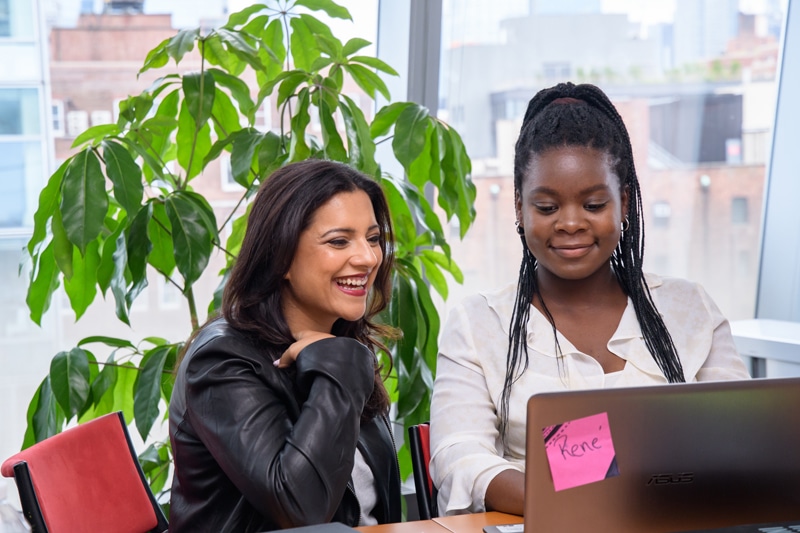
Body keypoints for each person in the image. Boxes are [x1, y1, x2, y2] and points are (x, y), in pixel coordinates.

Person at [428, 82, 750, 517]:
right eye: (546, 208)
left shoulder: (689, 309)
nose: (571, 223)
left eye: (594, 204)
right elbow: (459, 456)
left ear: (625, 203)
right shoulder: (478, 322)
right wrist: (584, 502)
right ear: (519, 209)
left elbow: (740, 442)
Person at [168, 159, 402, 532]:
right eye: (339, 241)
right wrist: (341, 367)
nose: (368, 258)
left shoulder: (339, 343)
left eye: (372, 238)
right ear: (281, 257)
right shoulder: (222, 360)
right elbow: (301, 508)